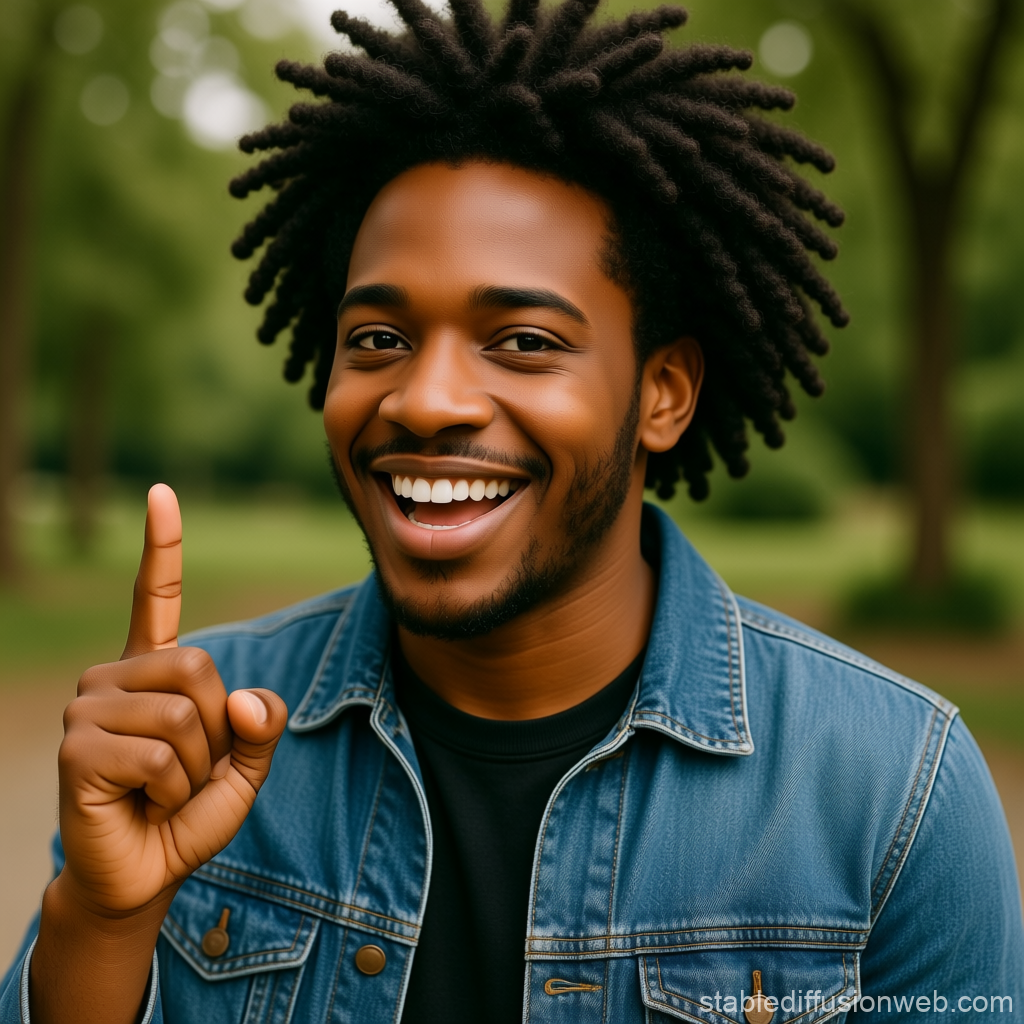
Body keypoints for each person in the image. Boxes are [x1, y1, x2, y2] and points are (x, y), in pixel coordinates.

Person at [3, 0, 1022, 1021]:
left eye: (524, 341)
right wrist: (99, 920)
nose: (425, 398)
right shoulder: (182, 742)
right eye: (377, 338)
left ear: (660, 393)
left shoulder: (897, 792)